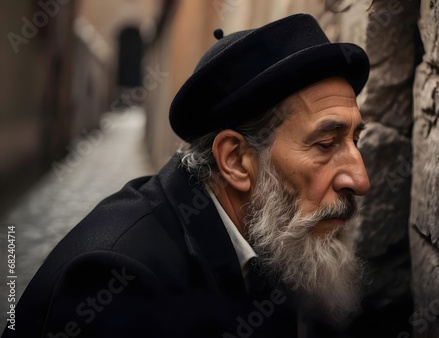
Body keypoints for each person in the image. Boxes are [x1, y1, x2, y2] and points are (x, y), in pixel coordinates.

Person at [3, 13, 370, 338]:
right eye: (326, 144)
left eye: (355, 140)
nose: (360, 179)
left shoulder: (271, 234)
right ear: (236, 160)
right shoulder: (118, 283)